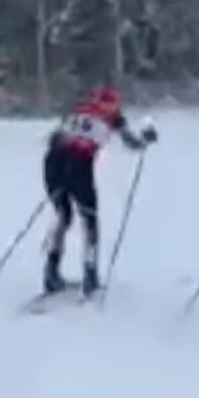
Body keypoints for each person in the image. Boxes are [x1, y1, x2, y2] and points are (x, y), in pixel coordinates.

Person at [42, 85, 156, 297]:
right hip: (75, 164)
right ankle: (88, 274)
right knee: (88, 219)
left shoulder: (81, 111)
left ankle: (53, 271)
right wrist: (145, 140)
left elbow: (54, 137)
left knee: (64, 216)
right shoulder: (109, 119)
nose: (110, 109)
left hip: (54, 162)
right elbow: (132, 143)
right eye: (107, 104)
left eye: (112, 104)